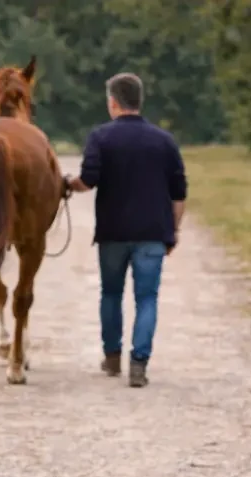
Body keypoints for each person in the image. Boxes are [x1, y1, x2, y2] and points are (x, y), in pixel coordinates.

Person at [64, 72, 188, 388]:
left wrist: (66, 185)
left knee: (111, 293)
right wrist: (173, 230)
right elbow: (179, 192)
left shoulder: (100, 137)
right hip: (152, 233)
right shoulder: (164, 140)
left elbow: (88, 180)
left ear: (113, 102)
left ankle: (112, 356)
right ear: (139, 101)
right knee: (147, 298)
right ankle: (139, 363)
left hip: (113, 233)